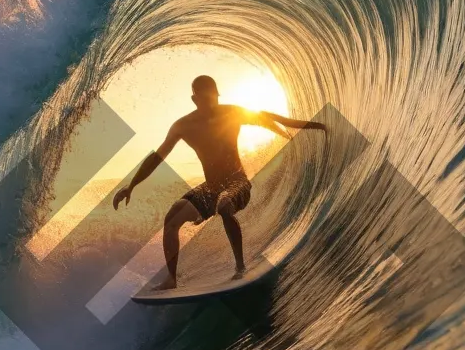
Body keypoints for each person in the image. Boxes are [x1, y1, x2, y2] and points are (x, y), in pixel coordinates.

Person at [113, 74, 327, 285]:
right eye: (202, 98)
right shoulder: (183, 126)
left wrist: (315, 125)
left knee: (224, 203)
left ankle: (240, 267)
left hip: (237, 182)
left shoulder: (232, 113)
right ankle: (171, 279)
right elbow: (157, 157)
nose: (208, 102)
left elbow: (271, 118)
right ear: (194, 99)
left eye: (211, 97)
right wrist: (131, 186)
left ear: (217, 95)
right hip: (211, 187)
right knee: (172, 218)